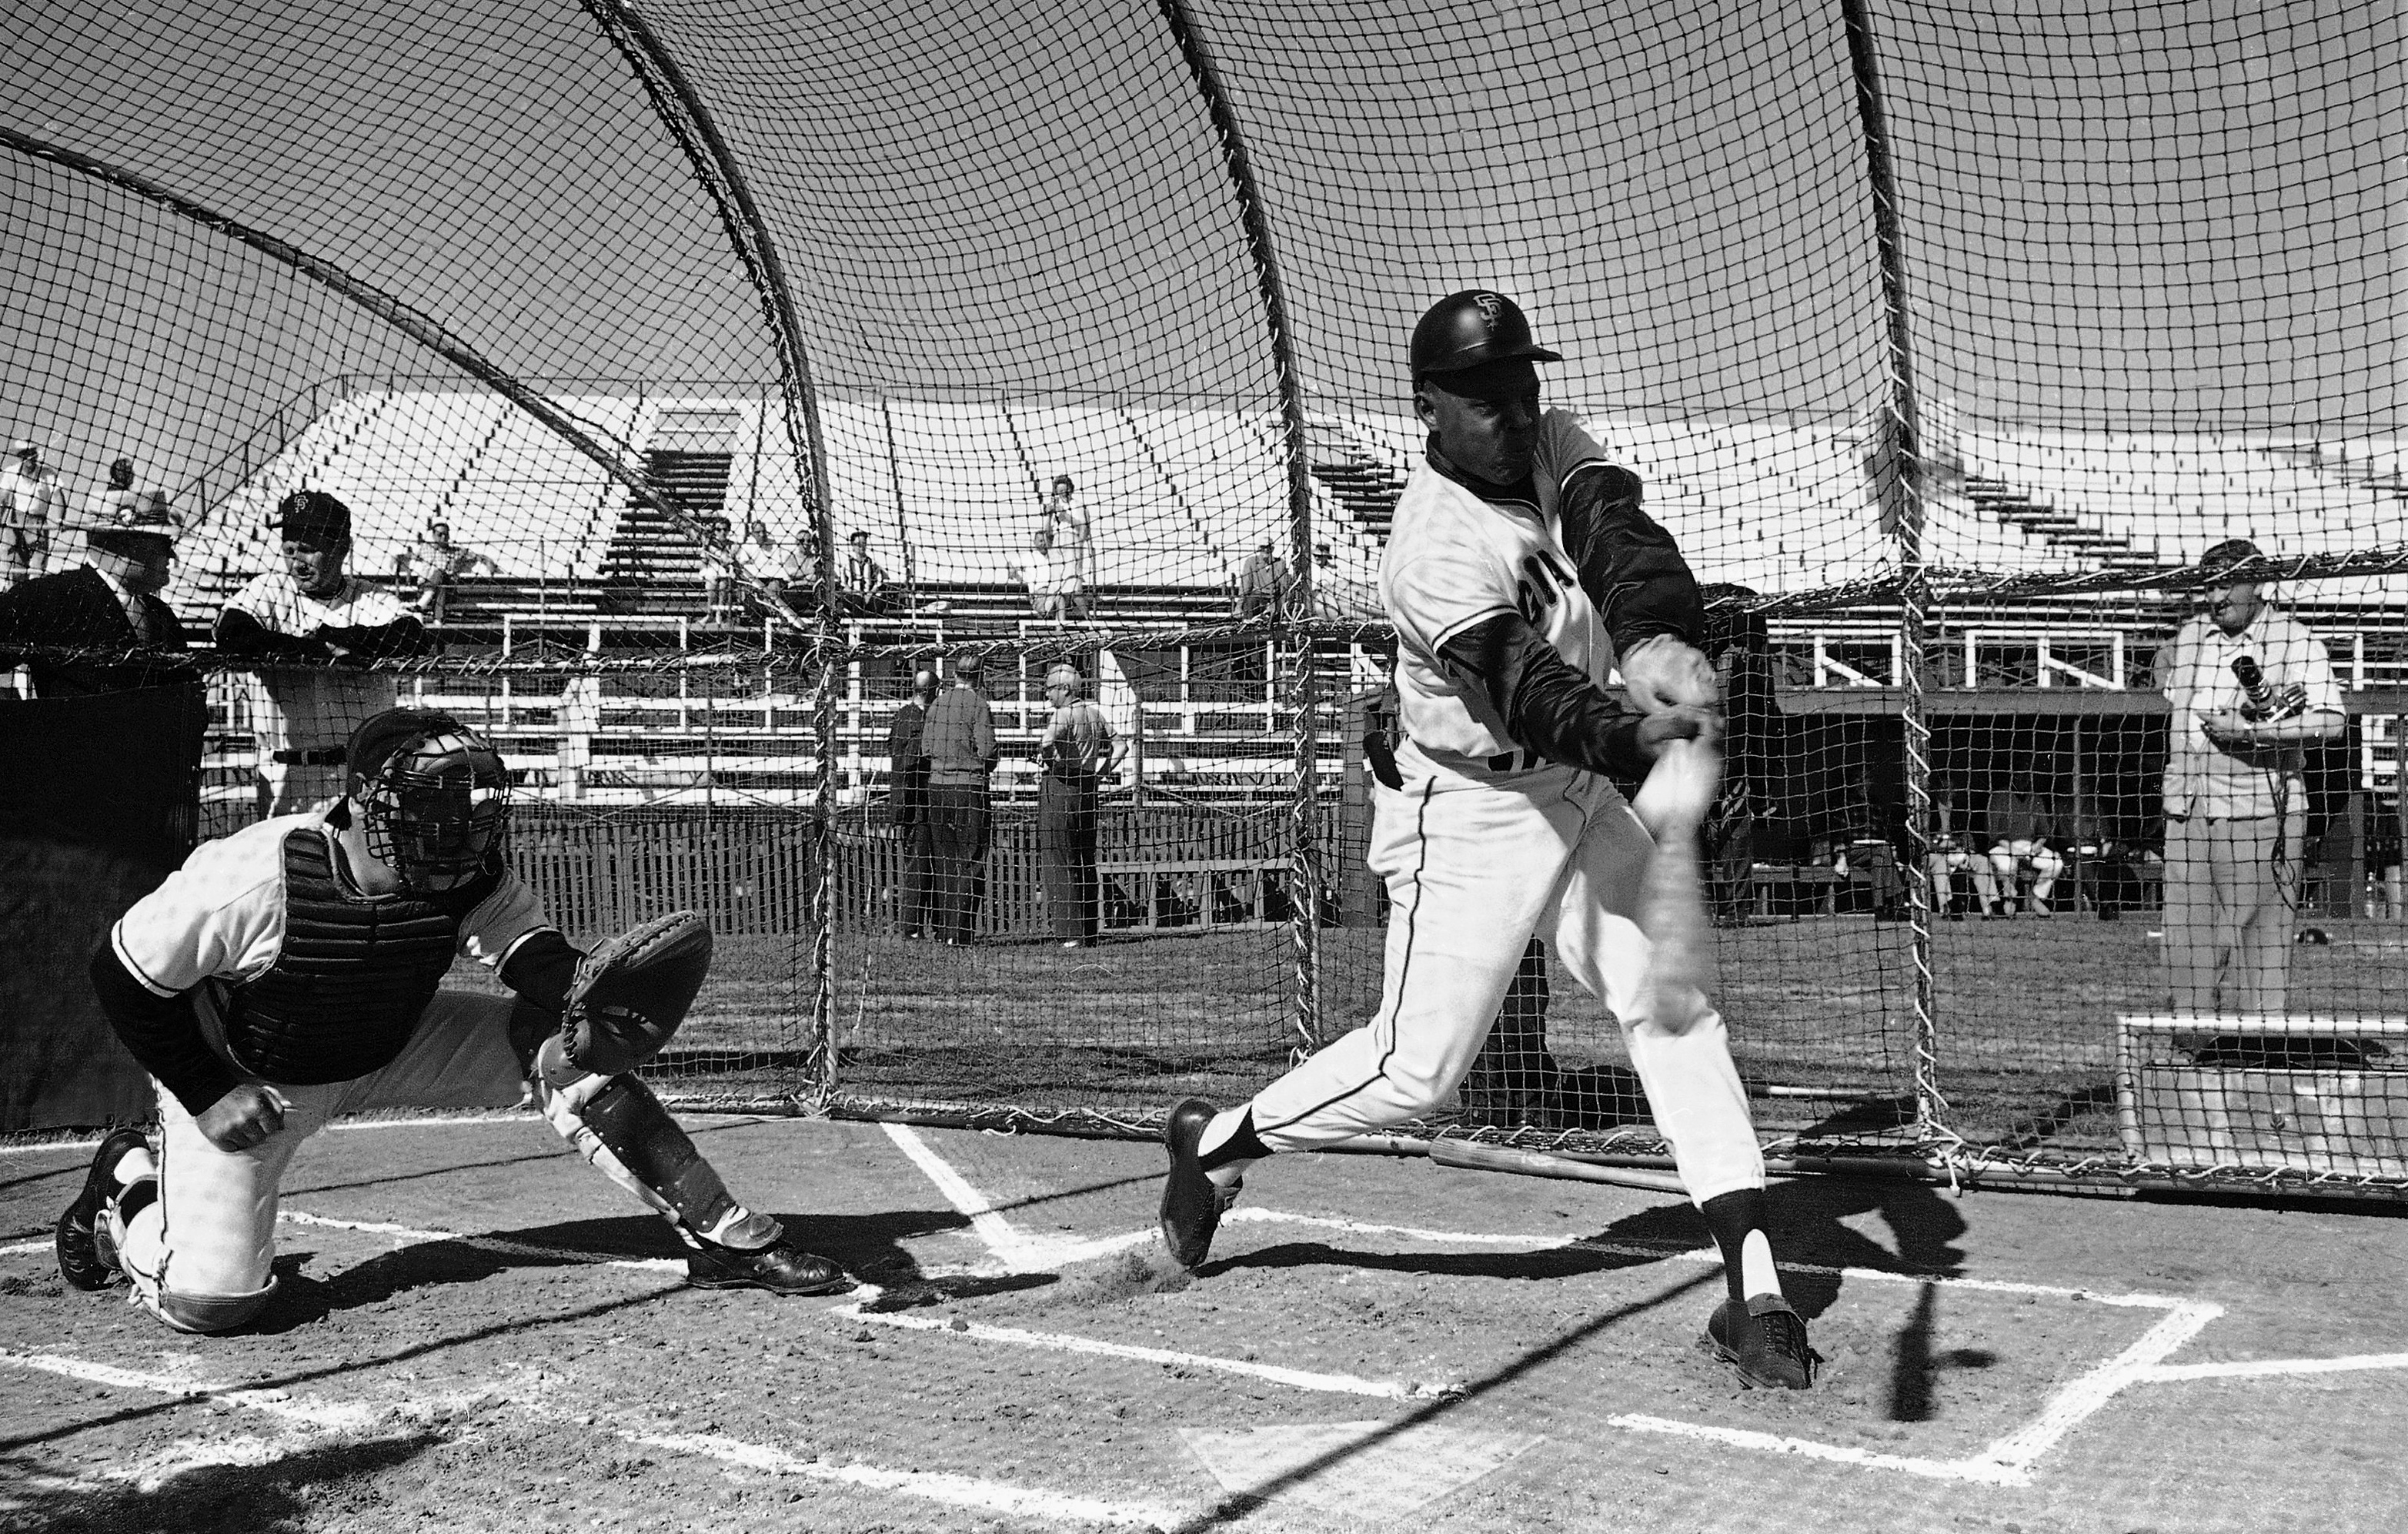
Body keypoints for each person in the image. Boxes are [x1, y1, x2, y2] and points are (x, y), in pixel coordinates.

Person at [1157, 289, 1816, 1390]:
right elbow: (1524, 688)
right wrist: (1631, 733)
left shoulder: (1553, 436)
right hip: (1470, 801)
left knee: (1672, 1002)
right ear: (1430, 407)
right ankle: (1217, 1144)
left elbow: (1622, 541)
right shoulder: (1426, 548)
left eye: (1521, 386)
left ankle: (1754, 1283)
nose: (1513, 412)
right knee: (1417, 1074)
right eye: (1483, 397)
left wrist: (1656, 643)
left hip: (1581, 782)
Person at [52, 707, 850, 1333]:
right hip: (254, 1076)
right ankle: (129, 1186)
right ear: (366, 802)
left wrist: (584, 989)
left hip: (397, 1040)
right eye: (433, 803)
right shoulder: (254, 875)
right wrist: (204, 1086)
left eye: (466, 803)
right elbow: (120, 973)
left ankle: (725, 1236)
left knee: (571, 1059)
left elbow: (527, 953)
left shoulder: (465, 866)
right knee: (213, 1305)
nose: (459, 823)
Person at [2153, 536, 2345, 1012]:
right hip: (2188, 806)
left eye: (2226, 586)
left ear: (2258, 584)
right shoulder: (2191, 636)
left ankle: (2261, 1050)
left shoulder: (2295, 640)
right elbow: (2167, 680)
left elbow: (2332, 721)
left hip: (2259, 810)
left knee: (2259, 937)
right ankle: (2190, 1044)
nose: (2215, 598)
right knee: (2186, 937)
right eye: (2208, 588)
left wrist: (2249, 733)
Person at [216, 490, 427, 816]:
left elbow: (413, 638)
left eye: (309, 550)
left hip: (362, 774)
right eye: (289, 550)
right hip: (285, 774)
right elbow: (232, 633)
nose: (297, 563)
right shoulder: (269, 589)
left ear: (342, 547)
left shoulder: (370, 597)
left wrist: (337, 637)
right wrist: (318, 650)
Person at [0, 488, 189, 697]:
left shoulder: (162, 616)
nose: (171, 554)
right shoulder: (49, 599)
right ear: (126, 546)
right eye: (164, 543)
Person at [1035, 662, 1124, 947]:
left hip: (1061, 787)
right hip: (1088, 789)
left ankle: (1069, 934)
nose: (1046, 694)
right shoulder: (1094, 714)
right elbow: (1121, 746)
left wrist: (1047, 757)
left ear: (1064, 688)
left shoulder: (1064, 714)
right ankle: (1088, 932)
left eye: (1049, 688)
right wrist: (1100, 774)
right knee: (1085, 859)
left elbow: (1047, 741)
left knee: (1059, 858)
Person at [920, 653, 998, 944]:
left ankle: (944, 929)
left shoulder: (938, 704)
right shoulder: (979, 704)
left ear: (954, 675)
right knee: (971, 859)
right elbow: (988, 750)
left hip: (937, 787)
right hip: (969, 787)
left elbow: (926, 748)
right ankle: (961, 932)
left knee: (944, 859)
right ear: (981, 676)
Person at [887, 668, 938, 938]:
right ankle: (911, 928)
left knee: (922, 865)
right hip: (917, 804)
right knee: (918, 865)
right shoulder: (914, 720)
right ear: (931, 691)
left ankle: (921, 926)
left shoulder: (902, 717)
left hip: (913, 803)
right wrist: (903, 808)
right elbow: (907, 765)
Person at [1984, 770, 2064, 915]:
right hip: (2002, 846)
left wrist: (2039, 843)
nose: (2023, 780)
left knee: (2056, 863)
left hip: (2028, 847)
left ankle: (2036, 897)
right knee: (2008, 865)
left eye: (2026, 777)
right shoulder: (1999, 796)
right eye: (2019, 776)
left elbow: (2044, 831)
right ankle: (2010, 899)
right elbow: (1992, 834)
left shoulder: (2035, 798)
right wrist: (2013, 850)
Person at [1923, 774, 2001, 919]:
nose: (1947, 792)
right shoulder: (1930, 809)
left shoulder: (1959, 809)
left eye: (1951, 788)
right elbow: (1926, 839)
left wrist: (1964, 846)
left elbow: (1965, 835)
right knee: (1941, 865)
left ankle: (1989, 907)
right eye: (1944, 788)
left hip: (1957, 851)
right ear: (1937, 790)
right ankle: (1947, 907)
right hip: (1938, 852)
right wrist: (1941, 845)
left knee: (1982, 862)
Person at [396, 520, 497, 625]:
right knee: (440, 580)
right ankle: (437, 620)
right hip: (424, 588)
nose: (443, 537)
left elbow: (477, 556)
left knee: (442, 578)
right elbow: (406, 556)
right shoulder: (425, 548)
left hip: (449, 591)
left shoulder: (456, 552)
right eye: (440, 534)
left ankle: (421, 606)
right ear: (433, 535)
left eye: (446, 534)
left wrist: (488, 561)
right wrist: (396, 559)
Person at [2, 439, 64, 589]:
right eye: (26, 455)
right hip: (16, 522)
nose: (30, 458)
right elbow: (2, 498)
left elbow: (57, 497)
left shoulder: (47, 474)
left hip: (38, 524)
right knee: (15, 570)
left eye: (32, 454)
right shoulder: (11, 472)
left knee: (37, 571)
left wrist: (59, 518)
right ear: (21, 456)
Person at [1041, 476, 1096, 621]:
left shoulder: (1078, 505)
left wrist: (1065, 515)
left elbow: (1084, 528)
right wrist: (1049, 514)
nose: (1063, 494)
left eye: (1065, 490)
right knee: (1057, 585)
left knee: (1073, 586)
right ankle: (1059, 622)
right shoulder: (1053, 506)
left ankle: (1088, 618)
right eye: (1060, 491)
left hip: (1072, 542)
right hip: (1057, 543)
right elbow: (1047, 531)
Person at [841, 530, 896, 617]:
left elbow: (878, 583)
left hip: (869, 596)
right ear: (853, 546)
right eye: (858, 544)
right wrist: (856, 593)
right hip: (853, 596)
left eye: (864, 544)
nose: (861, 547)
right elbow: (844, 586)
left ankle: (874, 628)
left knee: (878, 602)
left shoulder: (872, 563)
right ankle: (858, 627)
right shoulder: (847, 564)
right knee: (857, 601)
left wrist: (869, 595)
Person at [1233, 537, 1287, 620]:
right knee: (1250, 604)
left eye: (1268, 547)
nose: (1265, 550)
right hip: (1257, 596)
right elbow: (1245, 586)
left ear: (1272, 549)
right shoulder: (1251, 562)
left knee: (1278, 610)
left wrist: (1283, 607)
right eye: (1262, 548)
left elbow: (1284, 587)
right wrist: (1238, 607)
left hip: (1274, 597)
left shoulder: (1280, 563)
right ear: (1259, 549)